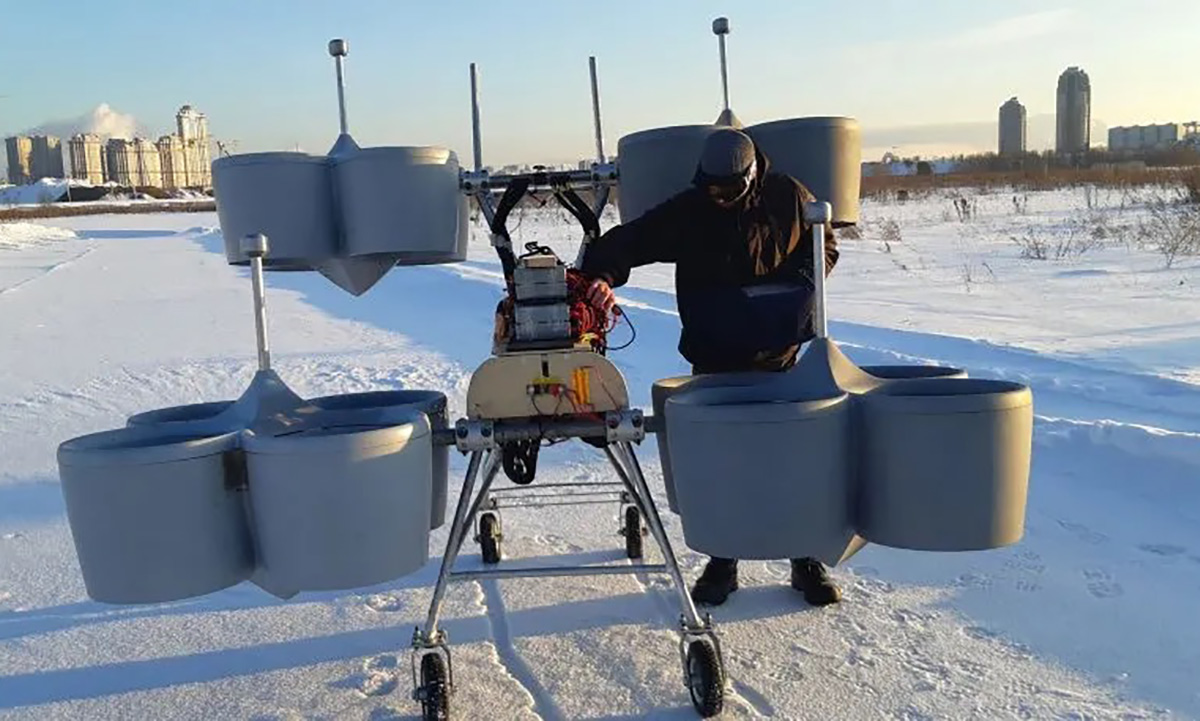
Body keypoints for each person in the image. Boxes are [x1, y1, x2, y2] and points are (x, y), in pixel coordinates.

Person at [579, 127, 842, 607]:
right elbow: (636, 238)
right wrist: (602, 273)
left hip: (779, 355)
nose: (718, 200)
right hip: (715, 355)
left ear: (751, 176)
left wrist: (805, 283)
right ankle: (723, 561)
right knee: (727, 465)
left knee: (790, 461)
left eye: (728, 192)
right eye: (711, 190)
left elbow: (823, 244)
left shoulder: (788, 195)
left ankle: (805, 559)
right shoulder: (693, 208)